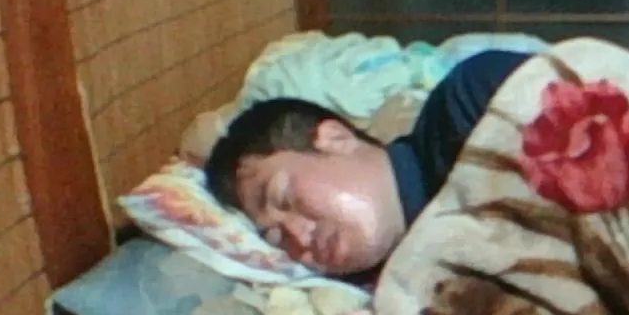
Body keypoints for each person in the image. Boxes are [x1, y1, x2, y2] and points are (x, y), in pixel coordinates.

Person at [204, 48, 532, 277]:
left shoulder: (470, 105)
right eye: (275, 238)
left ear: (336, 138)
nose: (298, 238)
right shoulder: (404, 295)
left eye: (283, 198)